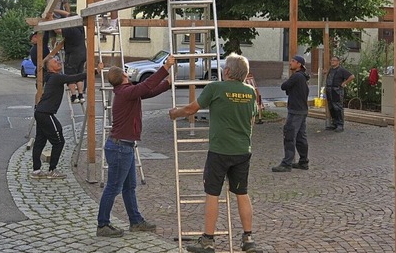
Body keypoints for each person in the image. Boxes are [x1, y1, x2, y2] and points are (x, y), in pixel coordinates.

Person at [168, 53, 259, 252]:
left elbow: (192, 109)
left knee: (212, 193)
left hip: (219, 150)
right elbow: (252, 119)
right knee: (242, 193)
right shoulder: (250, 92)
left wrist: (175, 113)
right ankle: (248, 238)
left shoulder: (215, 88)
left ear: (226, 71)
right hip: (243, 150)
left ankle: (208, 240)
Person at [96, 55, 175, 238]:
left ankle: (136, 221)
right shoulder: (126, 92)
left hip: (124, 147)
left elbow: (148, 92)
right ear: (124, 76)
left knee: (129, 186)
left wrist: (167, 83)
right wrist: (164, 68)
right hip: (119, 148)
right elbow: (145, 86)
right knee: (113, 187)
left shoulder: (127, 91)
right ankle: (102, 224)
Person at [31, 57, 103, 179]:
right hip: (45, 113)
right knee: (59, 141)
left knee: (40, 141)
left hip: (40, 112)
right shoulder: (56, 77)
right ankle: (52, 170)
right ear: (50, 67)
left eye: (58, 60)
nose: (58, 62)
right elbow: (75, 78)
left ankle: (36, 171)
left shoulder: (51, 77)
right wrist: (95, 71)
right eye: (55, 61)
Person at [272, 55, 310, 172]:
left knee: (289, 136)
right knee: (300, 137)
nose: (290, 63)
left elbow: (284, 86)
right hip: (302, 110)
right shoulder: (303, 77)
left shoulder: (297, 76)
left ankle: (287, 163)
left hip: (295, 111)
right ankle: (303, 162)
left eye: (293, 61)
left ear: (299, 64)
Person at [324, 56, 354, 132]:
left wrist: (344, 83)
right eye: (331, 60)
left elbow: (351, 76)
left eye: (334, 60)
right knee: (331, 107)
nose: (332, 61)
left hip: (337, 90)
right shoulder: (331, 70)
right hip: (329, 90)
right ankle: (334, 124)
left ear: (338, 62)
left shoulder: (341, 70)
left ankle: (340, 125)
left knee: (338, 107)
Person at [62, 25, 87, 103]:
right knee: (79, 75)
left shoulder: (70, 28)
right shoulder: (81, 27)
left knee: (70, 75)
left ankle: (73, 96)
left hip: (73, 55)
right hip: (83, 53)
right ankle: (81, 95)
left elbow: (58, 30)